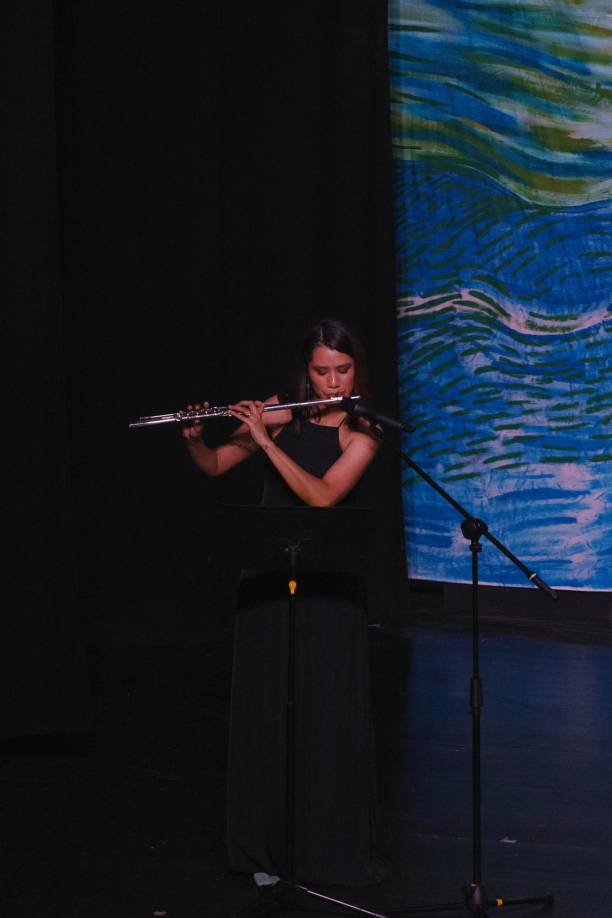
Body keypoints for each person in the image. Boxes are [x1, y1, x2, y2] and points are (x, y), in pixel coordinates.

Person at [183, 318, 385, 887]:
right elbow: (218, 466)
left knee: (323, 717)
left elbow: (321, 498)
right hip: (271, 578)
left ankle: (325, 848)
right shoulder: (280, 409)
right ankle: (264, 851)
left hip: (330, 590)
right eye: (320, 371)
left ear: (355, 370)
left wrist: (268, 440)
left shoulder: (364, 430)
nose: (330, 381)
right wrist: (199, 440)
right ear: (306, 370)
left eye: (342, 370)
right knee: (267, 716)